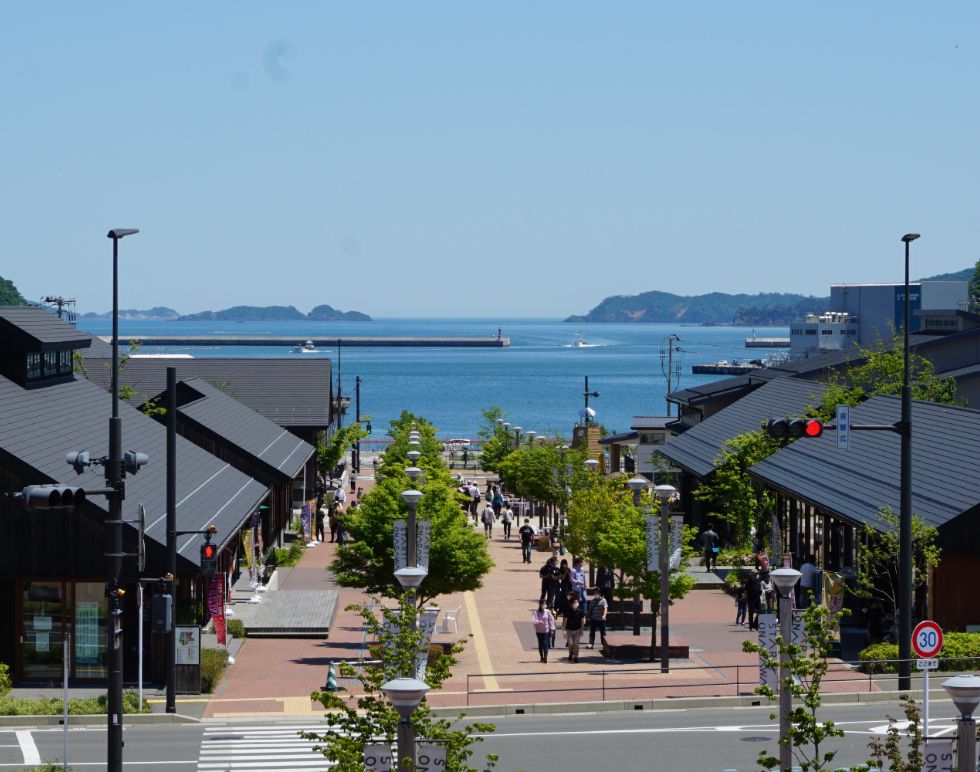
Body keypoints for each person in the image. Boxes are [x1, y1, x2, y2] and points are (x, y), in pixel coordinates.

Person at [563, 597, 587, 662]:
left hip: (577, 630)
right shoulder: (567, 611)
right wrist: (564, 630)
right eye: (574, 602)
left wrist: (582, 630)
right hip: (569, 630)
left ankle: (576, 657)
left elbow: (582, 621)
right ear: (571, 604)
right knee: (570, 644)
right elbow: (565, 621)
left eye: (577, 602)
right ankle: (571, 653)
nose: (576, 604)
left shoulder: (581, 612)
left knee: (576, 644)